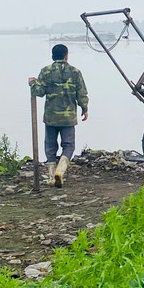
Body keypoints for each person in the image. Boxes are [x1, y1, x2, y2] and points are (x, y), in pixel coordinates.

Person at [28, 43, 88, 187]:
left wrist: (32, 83)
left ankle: (51, 177)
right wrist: (84, 108)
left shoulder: (46, 71)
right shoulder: (75, 72)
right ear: (66, 56)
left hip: (51, 116)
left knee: (50, 146)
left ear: (52, 56)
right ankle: (60, 171)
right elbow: (81, 93)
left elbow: (40, 92)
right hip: (68, 117)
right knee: (68, 146)